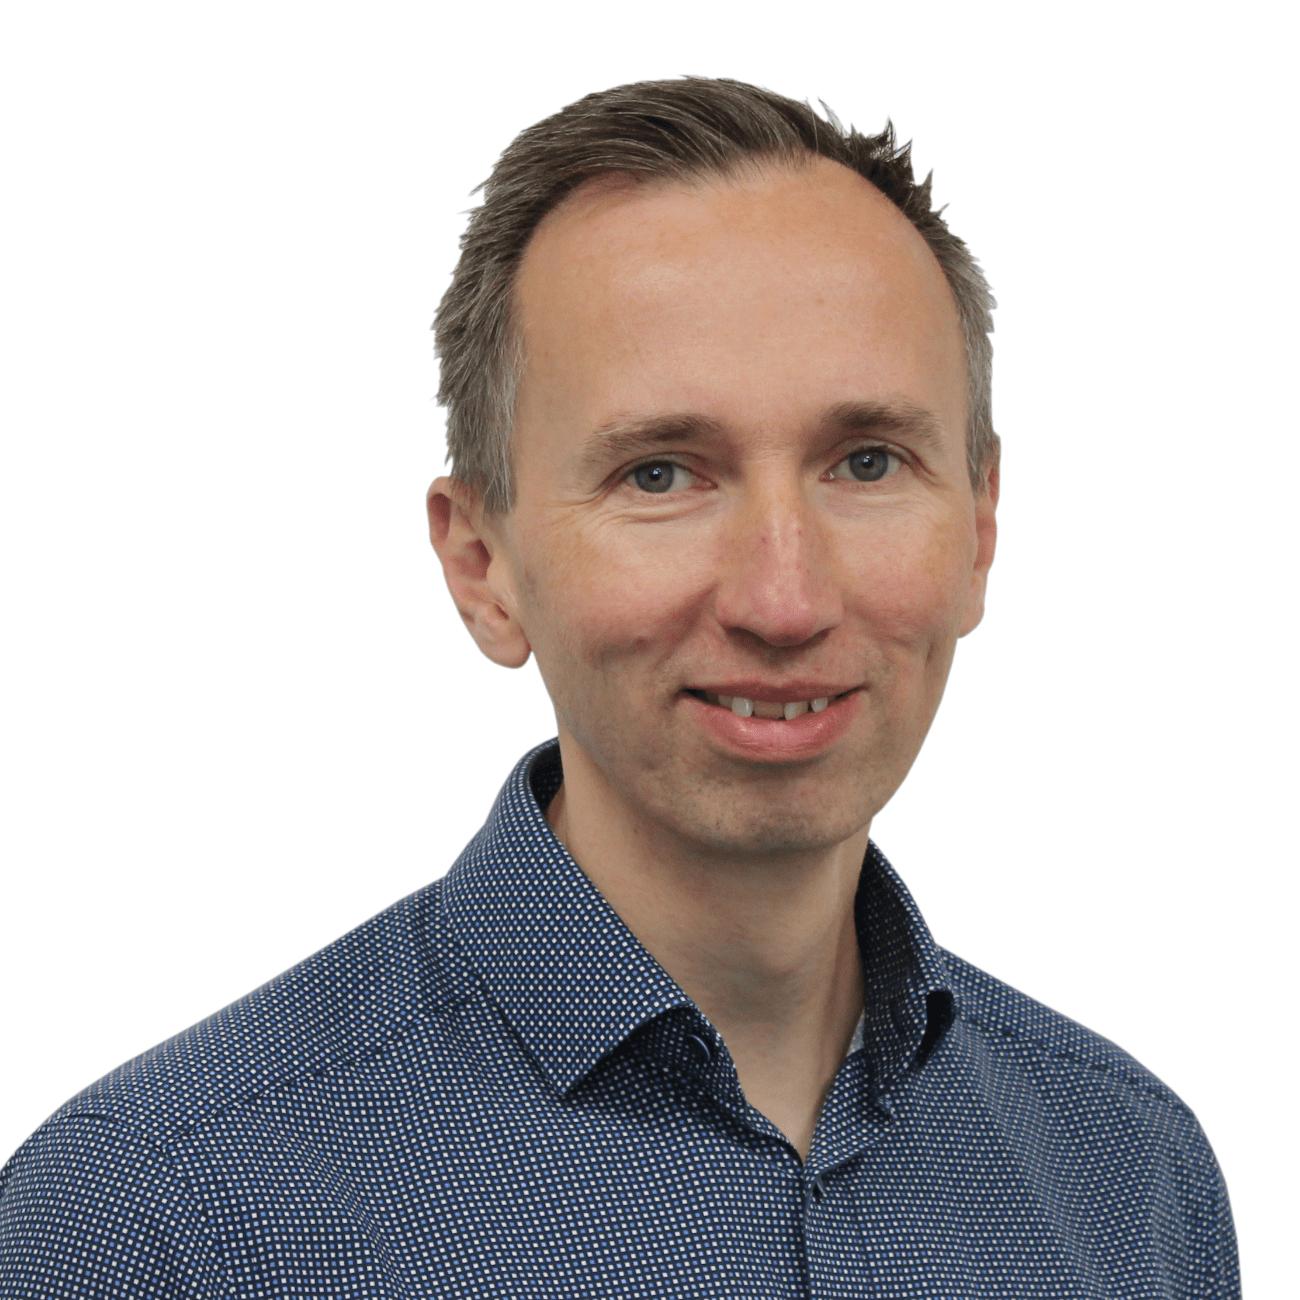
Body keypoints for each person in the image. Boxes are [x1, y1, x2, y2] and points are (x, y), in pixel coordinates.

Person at [0, 77, 1237, 1298]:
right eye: (659, 474)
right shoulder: (155, 1223)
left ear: (979, 528)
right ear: (482, 566)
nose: (783, 599)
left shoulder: (1133, 1179)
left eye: (866, 462)